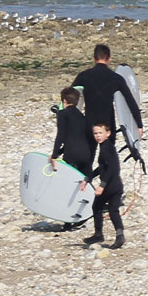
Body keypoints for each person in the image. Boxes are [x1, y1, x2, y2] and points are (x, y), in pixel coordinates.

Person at [71, 44, 147, 160]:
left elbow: (71, 96)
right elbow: (130, 102)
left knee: (88, 159)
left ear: (94, 59)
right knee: (108, 160)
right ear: (109, 59)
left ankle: (86, 178)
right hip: (107, 123)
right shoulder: (116, 78)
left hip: (89, 121)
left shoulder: (83, 76)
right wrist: (139, 125)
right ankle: (105, 178)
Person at [47, 86, 97, 230]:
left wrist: (55, 154)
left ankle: (68, 221)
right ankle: (85, 214)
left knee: (69, 186)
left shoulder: (62, 114)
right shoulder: (83, 117)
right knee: (83, 184)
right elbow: (84, 137)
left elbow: (61, 136)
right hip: (86, 154)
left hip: (72, 155)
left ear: (64, 100)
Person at [81, 121, 128, 248]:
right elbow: (101, 168)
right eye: (95, 133)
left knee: (106, 209)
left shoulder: (107, 148)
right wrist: (87, 179)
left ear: (108, 133)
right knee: (103, 208)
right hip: (113, 185)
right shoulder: (105, 147)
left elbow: (112, 168)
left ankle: (109, 235)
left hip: (111, 186)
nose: (97, 136)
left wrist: (102, 185)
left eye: (100, 133)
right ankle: (107, 235)